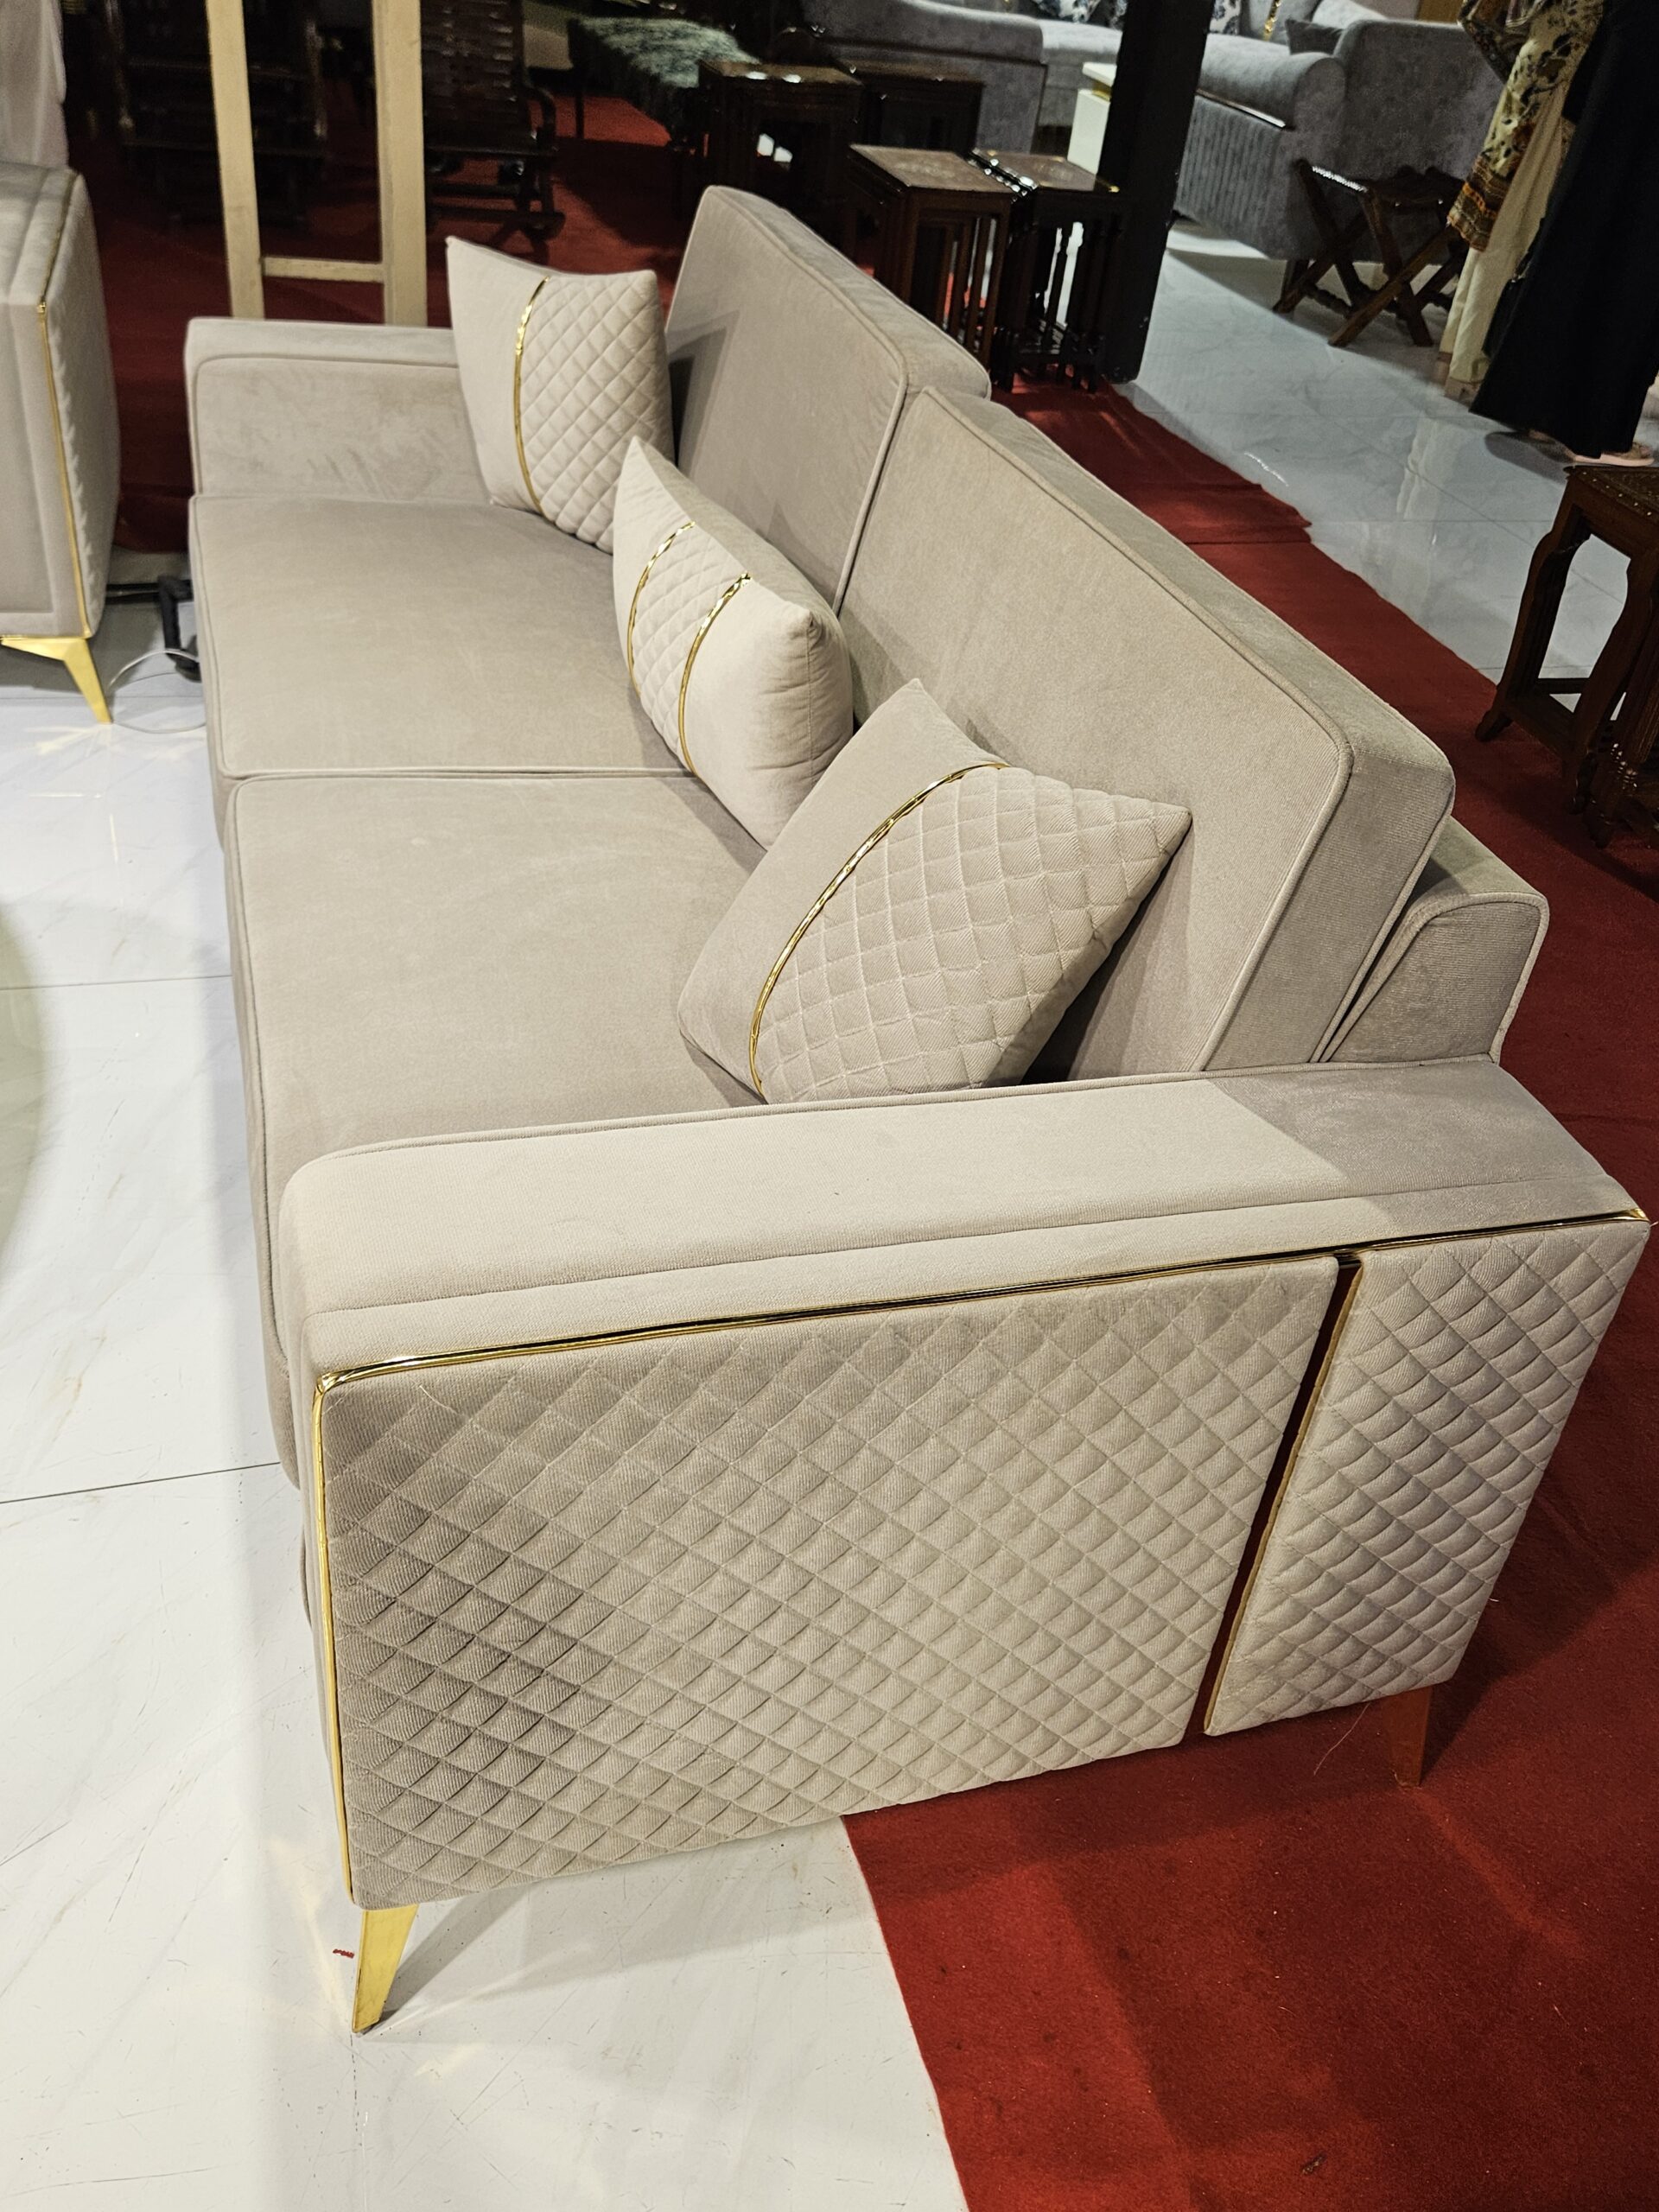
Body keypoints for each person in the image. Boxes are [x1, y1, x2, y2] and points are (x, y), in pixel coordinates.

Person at [1473, 0, 1659, 464]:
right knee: (1637, 236)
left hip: (1632, 35)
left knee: (1587, 207)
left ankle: (1535, 402)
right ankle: (1587, 424)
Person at [1438, 0, 1602, 401]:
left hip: (1541, 72)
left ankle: (1463, 349)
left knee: (1508, 217)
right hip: (1556, 83)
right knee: (1519, 221)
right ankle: (1476, 361)